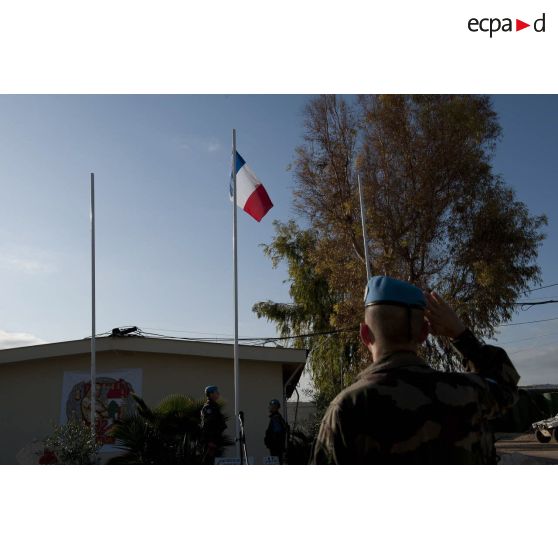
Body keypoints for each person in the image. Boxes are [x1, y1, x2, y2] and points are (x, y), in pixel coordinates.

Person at [311, 275, 520, 465]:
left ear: (365, 334)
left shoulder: (348, 409)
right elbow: (505, 383)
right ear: (424, 333)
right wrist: (460, 334)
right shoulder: (468, 393)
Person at [200, 385, 227, 464]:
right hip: (211, 443)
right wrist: (210, 441)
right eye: (216, 392)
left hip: (216, 440)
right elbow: (207, 425)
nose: (218, 394)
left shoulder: (214, 406)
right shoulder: (209, 408)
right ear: (211, 394)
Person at [264, 399, 288, 464]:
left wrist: (270, 443)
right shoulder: (278, 418)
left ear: (275, 407)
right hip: (277, 449)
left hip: (276, 450)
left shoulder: (276, 418)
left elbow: (277, 435)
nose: (269, 407)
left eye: (271, 406)